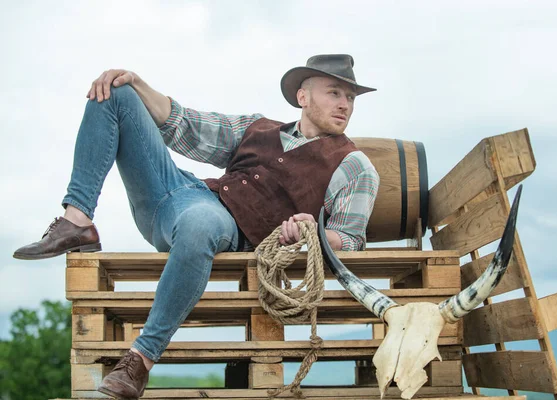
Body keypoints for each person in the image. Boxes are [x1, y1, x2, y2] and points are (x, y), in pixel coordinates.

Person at [13, 54, 380, 398]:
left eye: (350, 96)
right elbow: (183, 123)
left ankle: (139, 359)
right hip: (178, 192)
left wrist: (312, 231)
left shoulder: (353, 165)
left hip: (222, 227)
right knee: (115, 92)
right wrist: (137, 82)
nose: (344, 104)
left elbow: (350, 239)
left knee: (200, 223)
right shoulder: (256, 127)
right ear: (303, 96)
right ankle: (77, 219)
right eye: (334, 92)